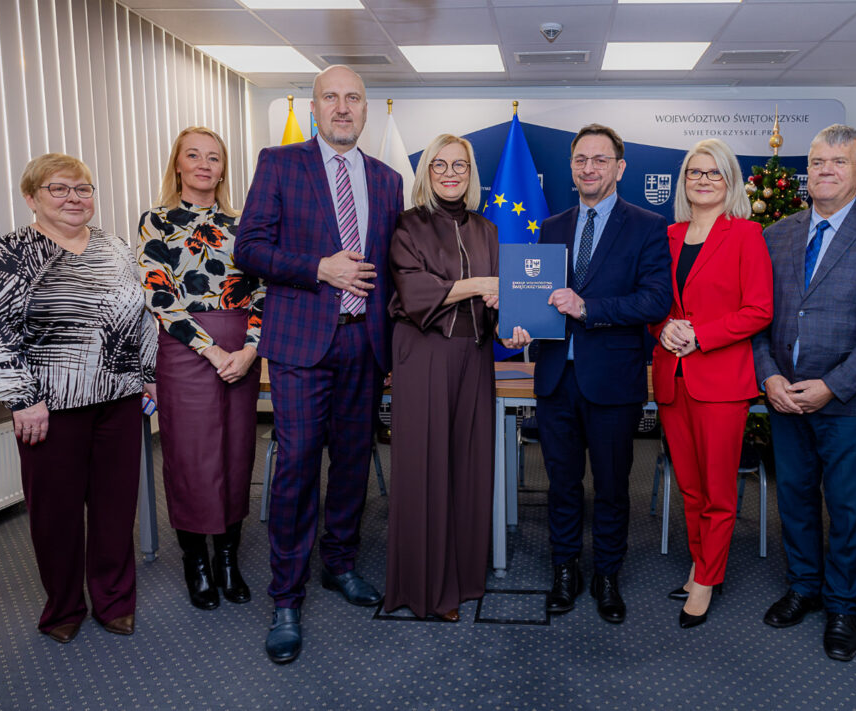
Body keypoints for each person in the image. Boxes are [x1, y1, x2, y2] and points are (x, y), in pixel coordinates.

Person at [234, 65, 404, 664]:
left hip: (365, 344)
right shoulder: (280, 164)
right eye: (330, 97)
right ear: (314, 108)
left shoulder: (387, 180)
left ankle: (340, 563)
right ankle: (286, 596)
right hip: (302, 345)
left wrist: (395, 345)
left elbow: (394, 268)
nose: (342, 107)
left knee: (354, 463)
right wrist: (318, 268)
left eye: (353, 98)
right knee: (298, 466)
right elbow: (249, 248)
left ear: (365, 109)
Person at [752, 124, 856, 662]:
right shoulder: (776, 234)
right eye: (817, 162)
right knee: (795, 498)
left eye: (838, 162)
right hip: (784, 396)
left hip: (850, 402)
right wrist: (768, 377)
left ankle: (844, 605)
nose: (824, 171)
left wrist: (832, 386)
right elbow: (757, 318)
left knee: (847, 507)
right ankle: (804, 586)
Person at [503, 124, 672, 624]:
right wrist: (521, 328)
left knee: (613, 486)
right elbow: (539, 298)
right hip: (557, 378)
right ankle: (565, 569)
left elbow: (655, 301)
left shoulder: (647, 225)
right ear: (571, 168)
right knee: (561, 483)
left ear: (620, 168)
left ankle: (607, 574)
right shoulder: (551, 226)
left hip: (613, 382)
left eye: (600, 159)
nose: (589, 168)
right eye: (581, 159)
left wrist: (588, 308)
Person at [0, 153, 157, 643]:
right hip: (49, 408)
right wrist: (21, 398)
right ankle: (62, 607)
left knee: (115, 508)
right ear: (31, 197)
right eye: (58, 189)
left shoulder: (114, 246)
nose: (74, 198)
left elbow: (140, 315)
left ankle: (114, 601)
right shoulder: (9, 252)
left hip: (119, 398)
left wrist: (148, 374)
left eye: (83, 189)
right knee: (55, 515)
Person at [138, 126, 265, 611]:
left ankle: (228, 558)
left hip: (242, 349)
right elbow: (159, 296)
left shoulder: (244, 222)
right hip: (185, 349)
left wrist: (250, 350)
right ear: (178, 164)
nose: (204, 164)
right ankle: (197, 562)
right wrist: (211, 351)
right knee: (191, 458)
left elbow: (263, 290)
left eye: (214, 157)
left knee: (236, 454)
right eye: (193, 155)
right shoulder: (156, 221)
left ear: (223, 167)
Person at [649, 139, 773, 629]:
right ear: (683, 182)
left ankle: (705, 578)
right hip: (672, 378)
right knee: (690, 487)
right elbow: (651, 301)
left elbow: (759, 309)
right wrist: (663, 326)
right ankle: (702, 564)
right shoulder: (668, 236)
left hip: (721, 380)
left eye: (713, 172)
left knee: (718, 491)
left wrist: (700, 335)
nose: (702, 180)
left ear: (730, 181)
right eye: (694, 172)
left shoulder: (746, 234)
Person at [383, 134, 498, 622]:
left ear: (471, 174)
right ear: (427, 172)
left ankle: (465, 577)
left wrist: (509, 311)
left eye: (460, 166)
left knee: (470, 465)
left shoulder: (487, 229)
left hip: (476, 355)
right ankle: (428, 588)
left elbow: (496, 302)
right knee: (426, 467)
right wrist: (480, 285)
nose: (451, 174)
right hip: (424, 353)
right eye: (440, 165)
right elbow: (414, 293)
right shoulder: (407, 225)